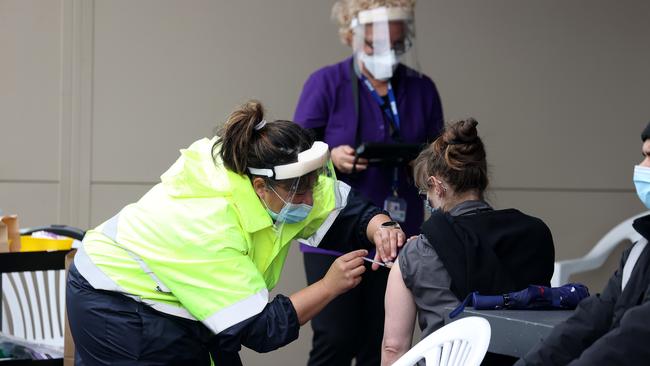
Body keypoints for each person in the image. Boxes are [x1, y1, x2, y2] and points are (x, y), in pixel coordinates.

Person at [66, 100, 405, 365]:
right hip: (114, 298)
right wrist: (328, 287)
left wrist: (380, 226)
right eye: (300, 192)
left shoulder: (276, 181)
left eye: (312, 186)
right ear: (260, 187)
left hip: (171, 292)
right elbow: (260, 329)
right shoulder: (212, 225)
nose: (310, 199)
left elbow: (340, 205)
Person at [293, 1, 443, 364]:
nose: (387, 53)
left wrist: (418, 163)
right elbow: (294, 152)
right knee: (337, 336)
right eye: (377, 44)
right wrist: (332, 157)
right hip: (334, 232)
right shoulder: (326, 83)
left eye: (396, 43)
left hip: (398, 232)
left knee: (384, 339)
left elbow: (441, 154)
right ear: (352, 35)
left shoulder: (421, 88)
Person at [381, 119, 556, 366]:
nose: (427, 200)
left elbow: (393, 349)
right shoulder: (535, 233)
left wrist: (413, 257)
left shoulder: (417, 252)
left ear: (437, 187)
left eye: (425, 193)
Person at [515, 121, 650, 365]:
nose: (641, 168)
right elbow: (592, 320)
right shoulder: (639, 252)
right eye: (643, 156)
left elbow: (633, 340)